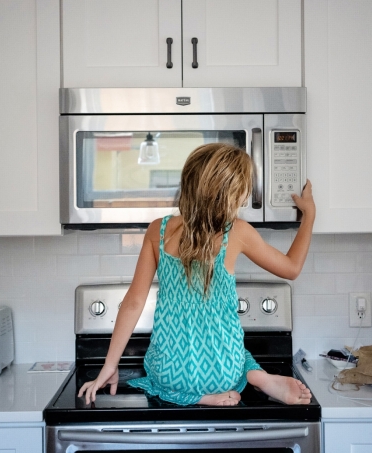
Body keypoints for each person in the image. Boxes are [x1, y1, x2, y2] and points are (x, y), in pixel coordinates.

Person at [78, 143, 316, 406]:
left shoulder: (158, 230)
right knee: (237, 350)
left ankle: (202, 397)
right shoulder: (237, 232)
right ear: (233, 196)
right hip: (223, 369)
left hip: (171, 373)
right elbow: (292, 268)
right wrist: (309, 215)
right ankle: (258, 377)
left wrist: (109, 366)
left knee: (160, 373)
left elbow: (133, 303)